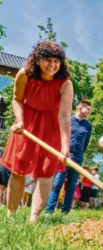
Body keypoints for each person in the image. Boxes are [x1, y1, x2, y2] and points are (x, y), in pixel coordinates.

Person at [0, 41, 73, 223]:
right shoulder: (25, 74)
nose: (53, 65)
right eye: (48, 60)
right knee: (18, 170)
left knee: (46, 172)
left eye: (57, 61)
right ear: (37, 59)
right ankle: (10, 216)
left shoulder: (65, 84)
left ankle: (34, 218)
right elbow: (17, 99)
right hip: (27, 124)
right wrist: (20, 120)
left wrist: (65, 146)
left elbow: (64, 116)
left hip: (52, 126)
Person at [45, 100, 92, 214]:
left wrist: (79, 154)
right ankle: (49, 211)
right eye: (88, 109)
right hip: (64, 157)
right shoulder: (67, 120)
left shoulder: (88, 126)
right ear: (80, 109)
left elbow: (86, 143)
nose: (89, 112)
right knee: (57, 184)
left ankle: (65, 212)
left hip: (77, 159)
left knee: (71, 187)